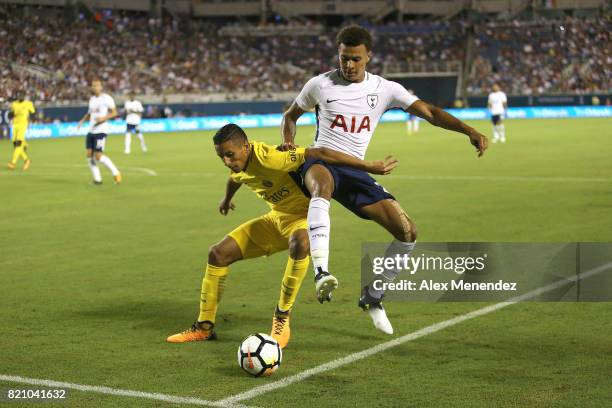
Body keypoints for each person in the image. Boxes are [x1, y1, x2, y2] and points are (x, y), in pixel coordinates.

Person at [281, 25, 488, 334]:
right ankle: (322, 272)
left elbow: (429, 111)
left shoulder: (385, 89)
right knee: (321, 186)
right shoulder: (319, 85)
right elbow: (290, 116)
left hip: (355, 169)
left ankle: (374, 294)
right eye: (343, 58)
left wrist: (469, 130)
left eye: (355, 59)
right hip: (320, 159)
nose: (349, 65)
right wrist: (288, 144)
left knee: (408, 233)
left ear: (369, 57)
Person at [166, 123, 397, 348]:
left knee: (301, 242)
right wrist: (226, 199)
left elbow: (319, 153)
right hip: (276, 219)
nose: (227, 161)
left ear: (245, 147)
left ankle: (281, 317)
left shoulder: (271, 157)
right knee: (218, 254)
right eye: (222, 157)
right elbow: (234, 179)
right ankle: (203, 327)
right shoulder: (239, 165)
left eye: (230, 155)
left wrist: (367, 166)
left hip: (303, 219)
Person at [77, 79, 121, 185]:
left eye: (97, 85)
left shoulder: (106, 98)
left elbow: (115, 113)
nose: (95, 87)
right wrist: (82, 120)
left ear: (101, 87)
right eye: (93, 86)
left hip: (101, 130)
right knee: (89, 155)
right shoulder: (92, 99)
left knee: (98, 156)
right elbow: (89, 113)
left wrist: (103, 118)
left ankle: (116, 172)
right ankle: (97, 179)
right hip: (91, 130)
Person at [7, 91, 35, 170]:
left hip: (23, 125)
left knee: (18, 144)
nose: (20, 96)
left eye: (22, 95)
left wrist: (30, 121)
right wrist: (11, 114)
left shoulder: (28, 103)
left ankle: (13, 163)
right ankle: (27, 160)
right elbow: (11, 114)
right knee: (16, 146)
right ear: (17, 96)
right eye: (19, 95)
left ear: (24, 96)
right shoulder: (14, 104)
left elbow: (33, 112)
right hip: (15, 125)